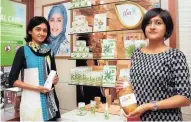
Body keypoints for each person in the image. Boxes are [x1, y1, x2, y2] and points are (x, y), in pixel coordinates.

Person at [116, 8, 191, 121]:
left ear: (167, 28)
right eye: (148, 23)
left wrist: (150, 106)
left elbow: (185, 98)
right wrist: (123, 86)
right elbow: (132, 86)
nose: (152, 27)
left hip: (165, 118)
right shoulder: (136, 54)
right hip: (137, 117)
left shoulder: (175, 55)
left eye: (158, 23)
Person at [9, 16, 60, 121]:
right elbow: (12, 80)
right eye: (38, 29)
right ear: (29, 31)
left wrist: (56, 79)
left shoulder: (50, 51)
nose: (42, 33)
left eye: (45, 30)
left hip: (50, 104)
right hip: (32, 103)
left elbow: (54, 74)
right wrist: (36, 88)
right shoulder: (23, 51)